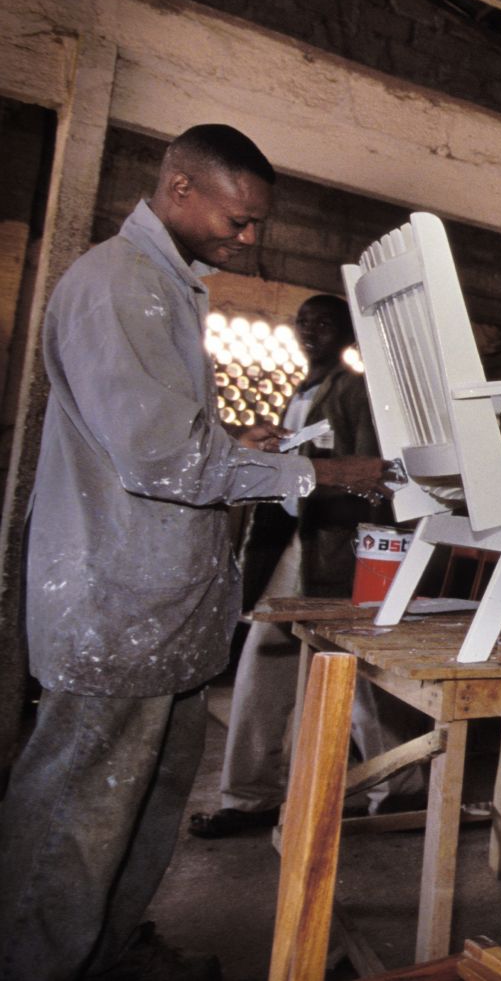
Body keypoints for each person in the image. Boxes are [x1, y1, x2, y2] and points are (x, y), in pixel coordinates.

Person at [0, 125, 387, 981]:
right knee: (77, 814)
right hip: (118, 603)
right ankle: (35, 962)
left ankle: (103, 948)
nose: (248, 238)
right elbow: (162, 457)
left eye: (255, 224)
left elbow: (161, 433)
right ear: (180, 188)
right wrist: (323, 471)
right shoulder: (119, 284)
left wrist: (232, 441)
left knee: (142, 800)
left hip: (158, 607)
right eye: (237, 219)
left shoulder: (167, 286)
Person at [187, 295, 425, 840]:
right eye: (303, 321)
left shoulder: (355, 390)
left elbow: (376, 477)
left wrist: (372, 555)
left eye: (325, 322)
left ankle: (398, 789)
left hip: (336, 548)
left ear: (348, 335)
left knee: (358, 670)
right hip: (292, 542)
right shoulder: (302, 393)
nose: (310, 329)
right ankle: (254, 796)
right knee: (278, 660)